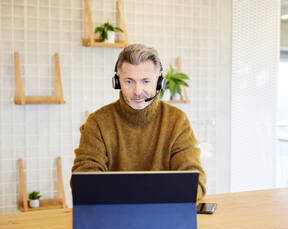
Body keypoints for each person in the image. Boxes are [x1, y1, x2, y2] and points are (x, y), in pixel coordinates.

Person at [72, 43, 206, 200]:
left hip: (163, 215)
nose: (137, 91)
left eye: (145, 81)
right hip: (113, 217)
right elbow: (84, 182)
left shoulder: (177, 121)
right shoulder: (97, 123)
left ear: (159, 82)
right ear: (117, 82)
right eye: (129, 81)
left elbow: (195, 185)